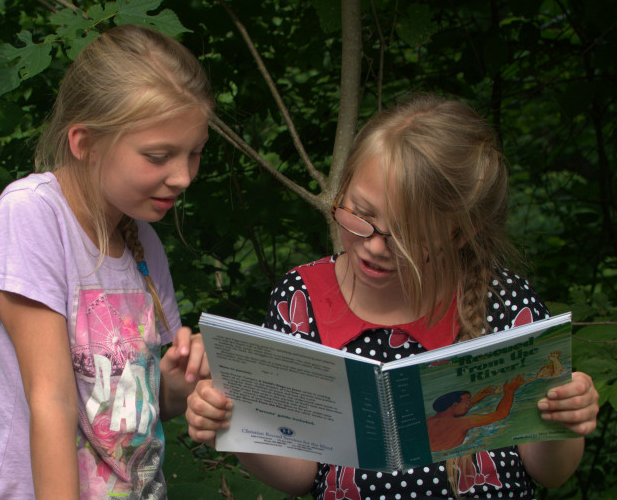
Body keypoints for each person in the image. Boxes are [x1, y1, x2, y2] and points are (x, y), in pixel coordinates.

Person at [185, 93, 600, 499]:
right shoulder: (301, 302)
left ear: (462, 231)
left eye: (407, 235)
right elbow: (298, 474)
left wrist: (565, 420)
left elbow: (551, 473)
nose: (375, 246)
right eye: (361, 214)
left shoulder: (505, 303)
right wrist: (234, 423)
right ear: (343, 187)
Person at [0, 24, 212, 499]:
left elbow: (123, 411)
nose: (183, 176)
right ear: (85, 142)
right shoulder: (33, 216)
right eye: (159, 156)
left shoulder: (143, 242)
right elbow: (53, 401)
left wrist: (176, 387)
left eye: (195, 153)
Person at [426, 375, 524, 452]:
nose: (469, 404)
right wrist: (510, 391)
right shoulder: (463, 422)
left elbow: (450, 418)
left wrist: (475, 400)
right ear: (454, 404)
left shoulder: (427, 421)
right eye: (467, 401)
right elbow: (501, 413)